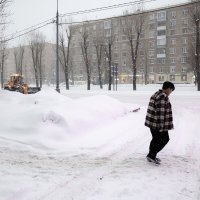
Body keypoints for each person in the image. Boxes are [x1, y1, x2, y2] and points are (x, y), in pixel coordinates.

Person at [145, 81, 175, 165]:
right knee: (164, 139)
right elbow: (160, 113)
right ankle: (151, 155)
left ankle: (151, 156)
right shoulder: (162, 97)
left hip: (152, 123)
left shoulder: (156, 94)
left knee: (155, 139)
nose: (171, 92)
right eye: (171, 90)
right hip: (158, 124)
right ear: (168, 88)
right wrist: (161, 127)